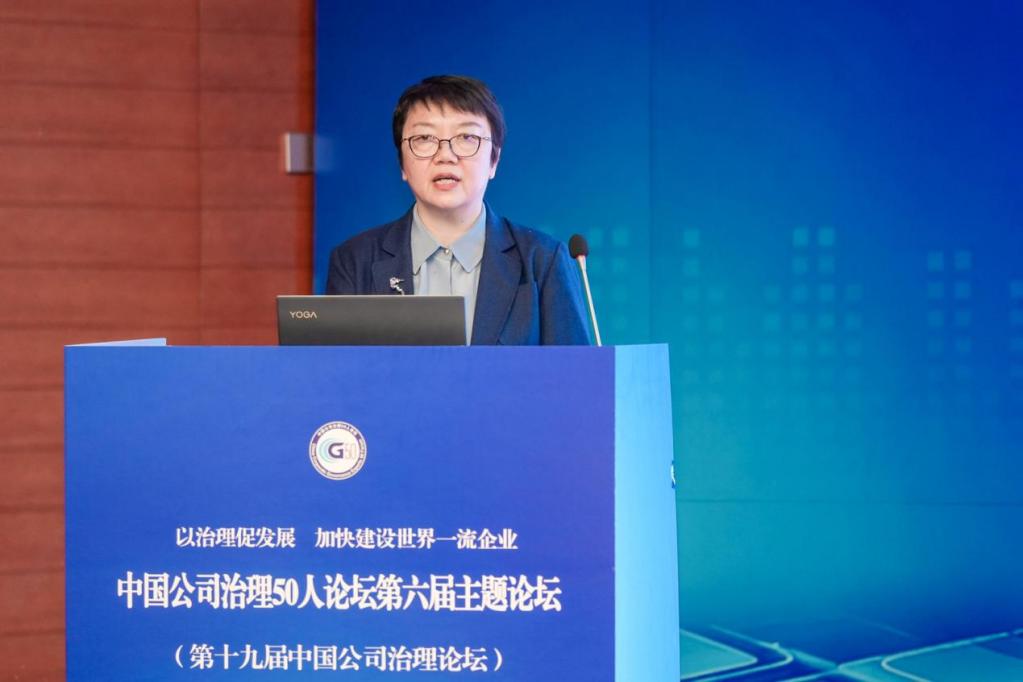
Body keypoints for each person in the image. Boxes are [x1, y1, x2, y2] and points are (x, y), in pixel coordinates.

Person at [325, 75, 591, 345]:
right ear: (402, 164)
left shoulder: (542, 261)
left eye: (466, 137)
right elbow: (335, 368)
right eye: (424, 138)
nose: (445, 156)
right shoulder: (354, 261)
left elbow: (575, 370)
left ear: (494, 161)